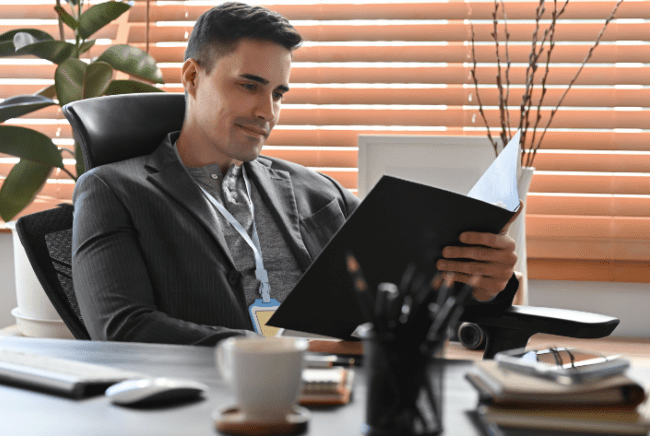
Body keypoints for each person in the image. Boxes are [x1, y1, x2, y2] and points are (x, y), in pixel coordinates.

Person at [71, 2, 519, 345]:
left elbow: (406, 295)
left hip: (336, 402)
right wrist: (276, 354)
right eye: (249, 85)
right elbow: (123, 328)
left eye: (279, 93)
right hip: (210, 407)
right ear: (192, 77)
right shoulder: (114, 191)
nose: (267, 112)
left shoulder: (318, 192)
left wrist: (484, 287)